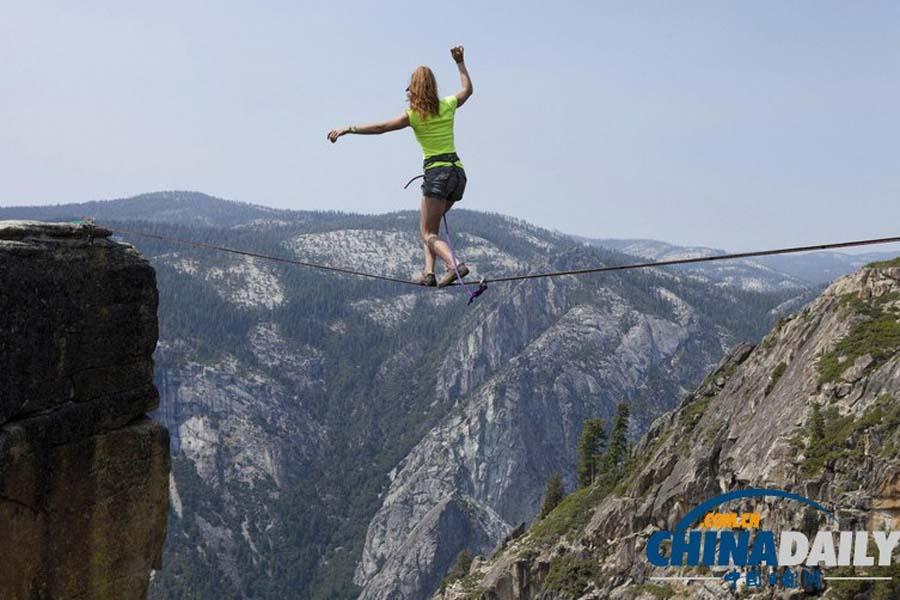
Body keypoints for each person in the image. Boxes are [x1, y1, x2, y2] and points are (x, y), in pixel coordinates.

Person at [328, 45, 473, 287]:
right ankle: (429, 273)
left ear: (413, 89)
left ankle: (454, 265)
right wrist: (460, 62)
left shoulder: (414, 116)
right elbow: (467, 90)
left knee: (428, 233)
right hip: (457, 174)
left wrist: (348, 129)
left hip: (437, 174)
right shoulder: (447, 104)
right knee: (429, 229)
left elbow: (380, 127)